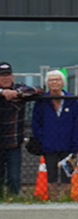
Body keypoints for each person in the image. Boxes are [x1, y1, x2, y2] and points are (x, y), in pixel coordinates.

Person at [31, 70, 78, 199]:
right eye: (51, 80)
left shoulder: (71, 101)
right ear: (47, 83)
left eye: (57, 79)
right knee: (51, 175)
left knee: (67, 175)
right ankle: (52, 199)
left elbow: (77, 124)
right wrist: (44, 139)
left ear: (62, 82)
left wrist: (76, 145)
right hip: (49, 145)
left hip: (68, 145)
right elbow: (36, 123)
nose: (54, 82)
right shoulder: (42, 101)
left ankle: (66, 199)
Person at [1, 62, 42, 196]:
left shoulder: (19, 88)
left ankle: (14, 202)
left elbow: (38, 90)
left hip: (14, 144)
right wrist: (2, 92)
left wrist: (16, 93)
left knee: (14, 177)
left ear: (12, 76)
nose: (5, 78)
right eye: (2, 76)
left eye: (8, 75)